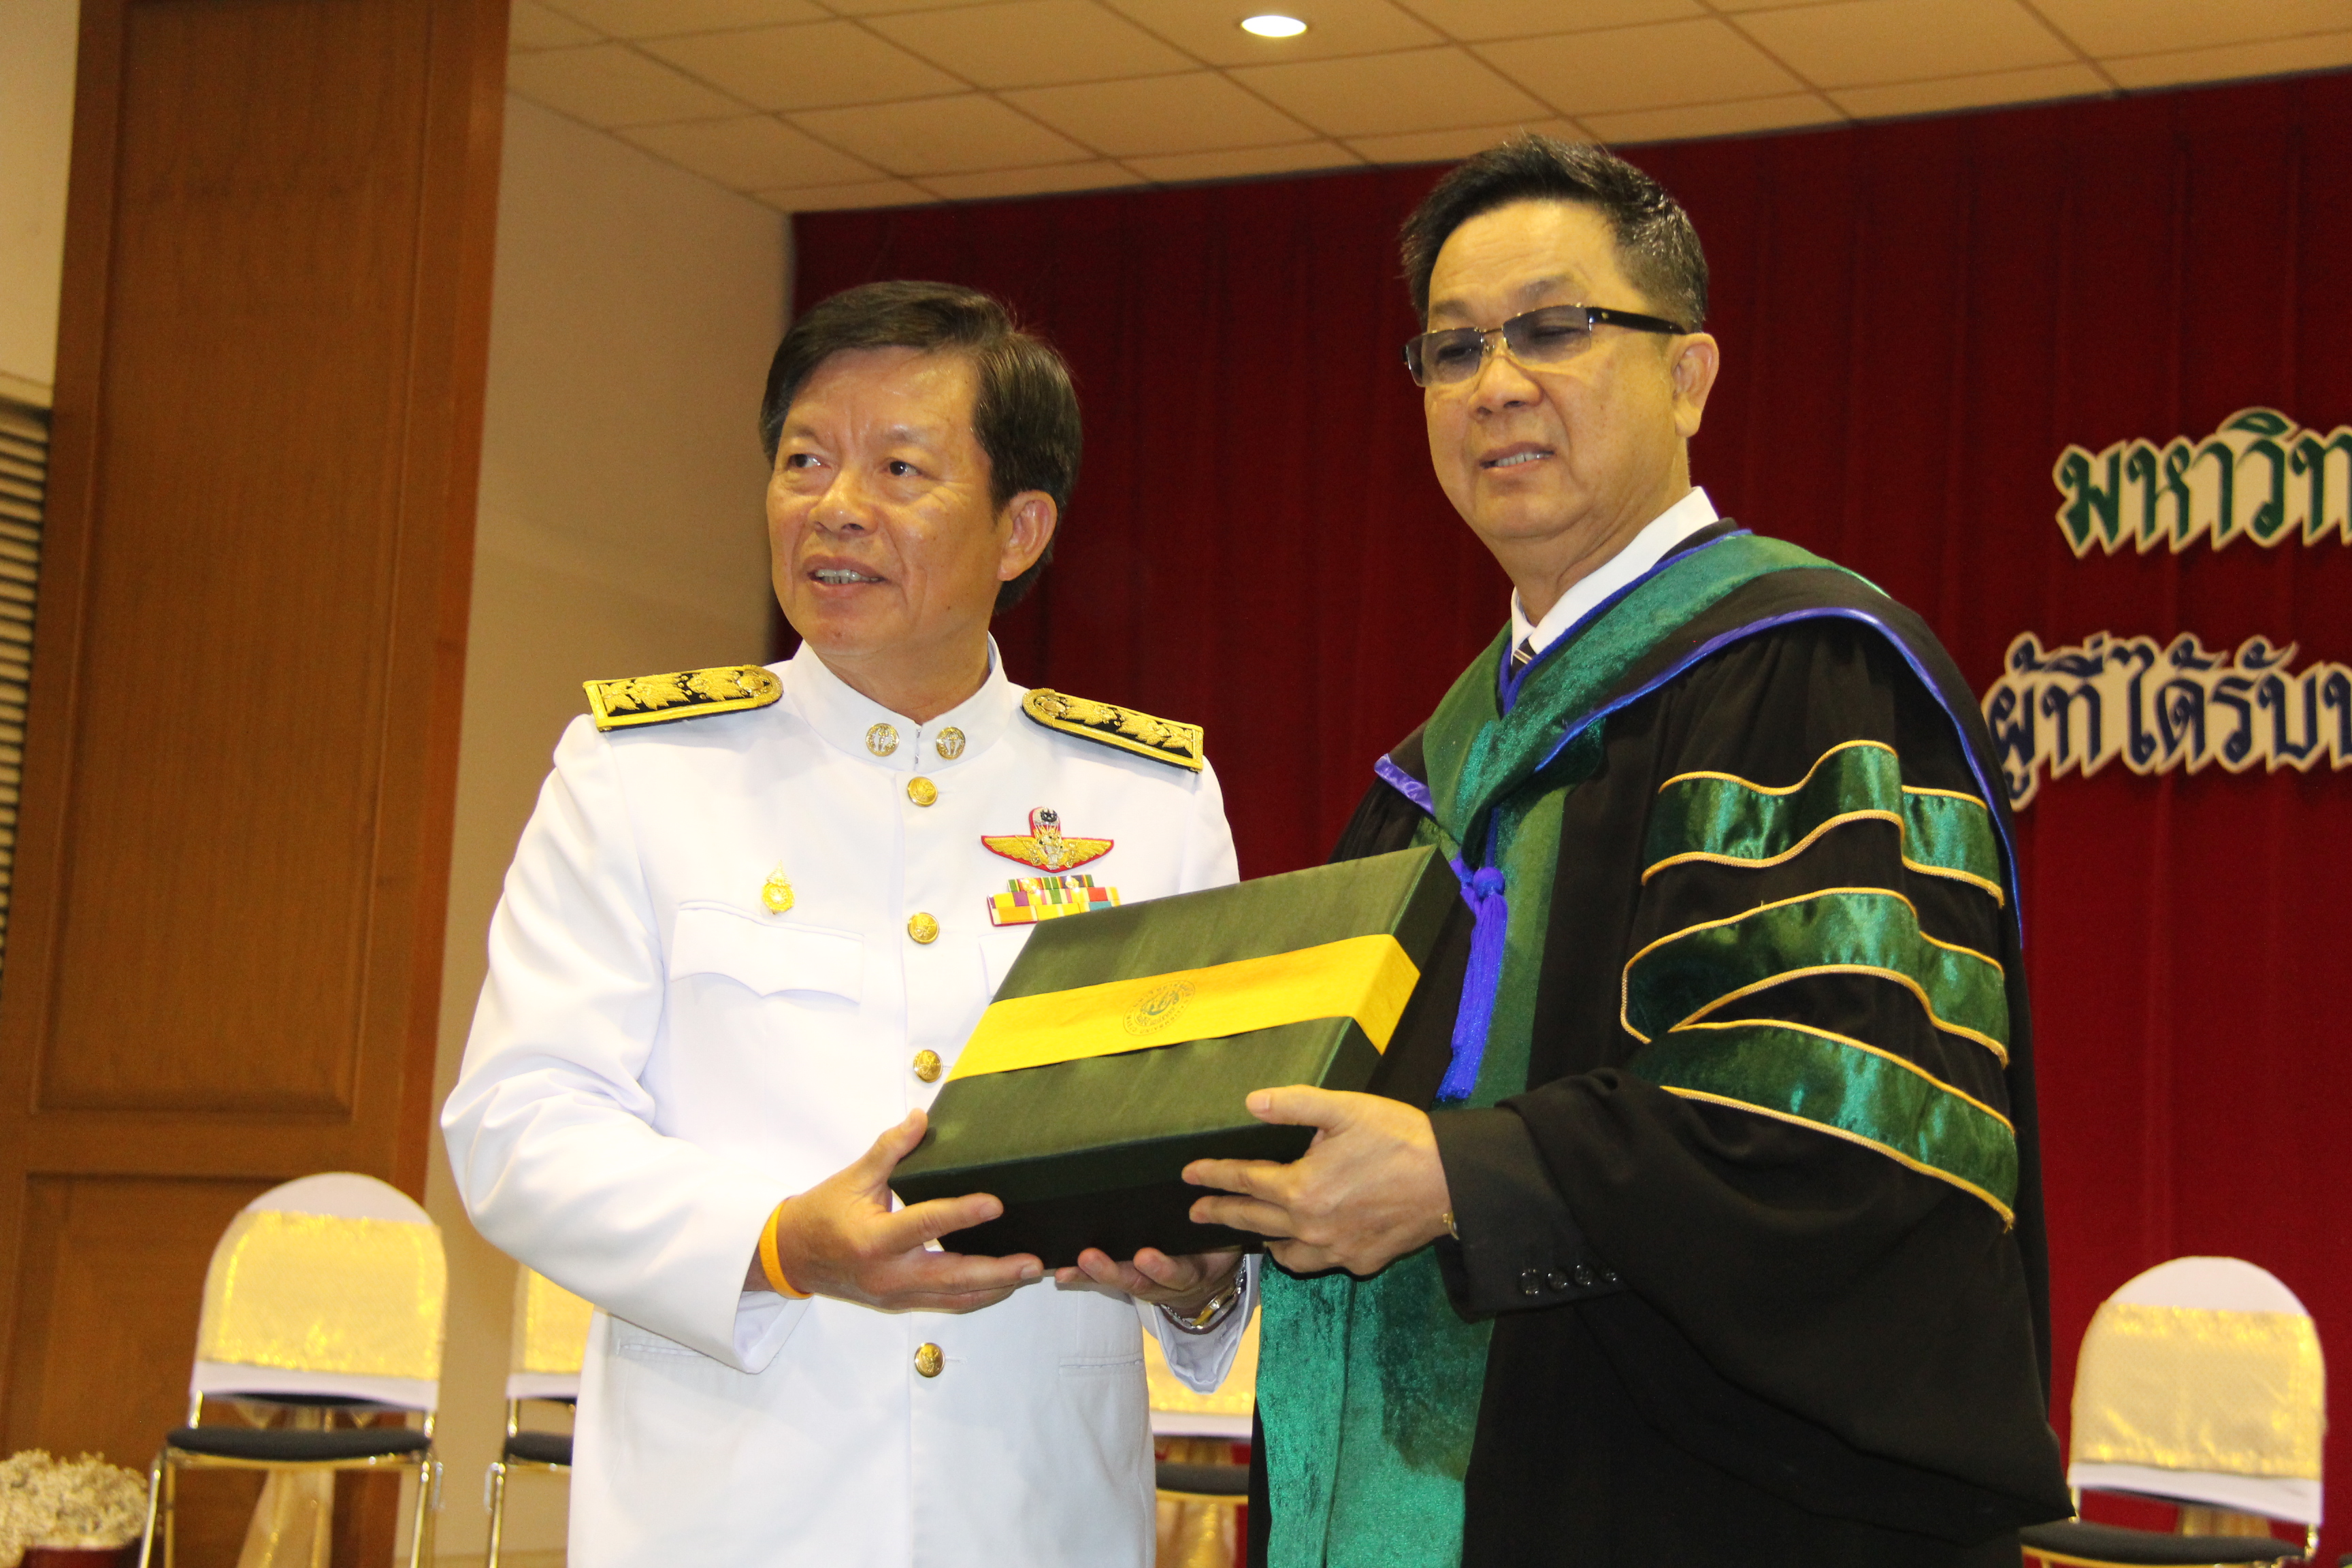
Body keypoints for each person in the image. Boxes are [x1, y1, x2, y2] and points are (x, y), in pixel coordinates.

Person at [1183, 137, 2072, 1566]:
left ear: (1690, 376)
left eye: (1554, 328)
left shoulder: (1810, 678)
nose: (1496, 384)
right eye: (1453, 349)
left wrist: (1466, 1178)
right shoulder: (1432, 776)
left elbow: (1839, 1129)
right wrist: (1215, 1238)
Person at [443, 281, 1251, 1567]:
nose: (835, 506)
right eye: (805, 461)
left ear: (1021, 528)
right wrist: (775, 1244)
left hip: (1033, 1515)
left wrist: (1206, 1281)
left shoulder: (1148, 802)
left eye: (900, 469)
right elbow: (515, 1124)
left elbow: (1206, 1145)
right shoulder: (638, 770)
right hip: (727, 1516)